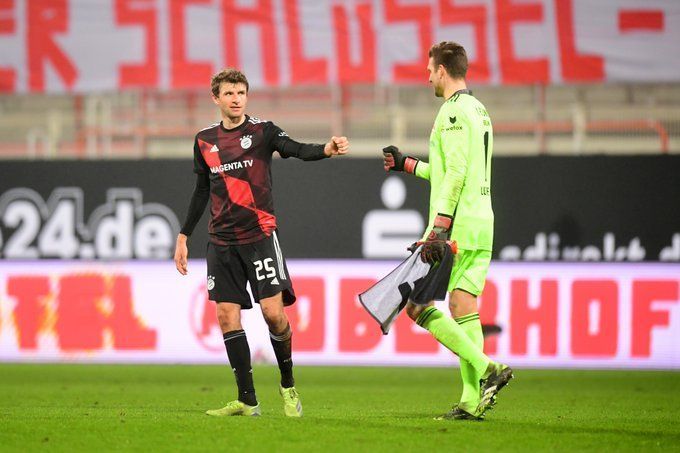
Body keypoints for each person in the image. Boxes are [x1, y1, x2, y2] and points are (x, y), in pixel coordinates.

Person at [174, 68, 349, 417]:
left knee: (273, 314)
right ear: (216, 98)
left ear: (246, 97)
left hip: (260, 236)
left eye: (241, 93)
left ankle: (287, 385)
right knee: (226, 316)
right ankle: (247, 400)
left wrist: (325, 150)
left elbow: (295, 148)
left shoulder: (262, 131)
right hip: (221, 241)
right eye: (229, 93)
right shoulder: (204, 140)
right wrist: (183, 235)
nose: (236, 99)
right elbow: (201, 190)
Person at [382, 41, 512, 420]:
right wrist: (407, 165)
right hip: (481, 222)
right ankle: (472, 402)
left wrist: (438, 227)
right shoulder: (479, 110)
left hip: (455, 227)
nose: (427, 76)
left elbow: (454, 174)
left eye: (429, 69)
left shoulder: (452, 113)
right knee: (462, 307)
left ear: (442, 70)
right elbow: (451, 170)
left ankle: (490, 368)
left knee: (417, 307)